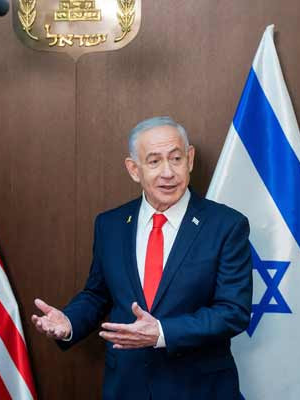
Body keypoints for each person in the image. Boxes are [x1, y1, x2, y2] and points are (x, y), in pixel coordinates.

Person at [31, 116, 252, 399]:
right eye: (154, 161)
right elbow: (98, 294)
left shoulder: (226, 225)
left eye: (176, 159)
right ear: (134, 169)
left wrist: (161, 332)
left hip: (198, 388)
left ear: (190, 159)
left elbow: (233, 311)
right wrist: (70, 323)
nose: (168, 172)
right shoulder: (110, 225)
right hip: (127, 385)